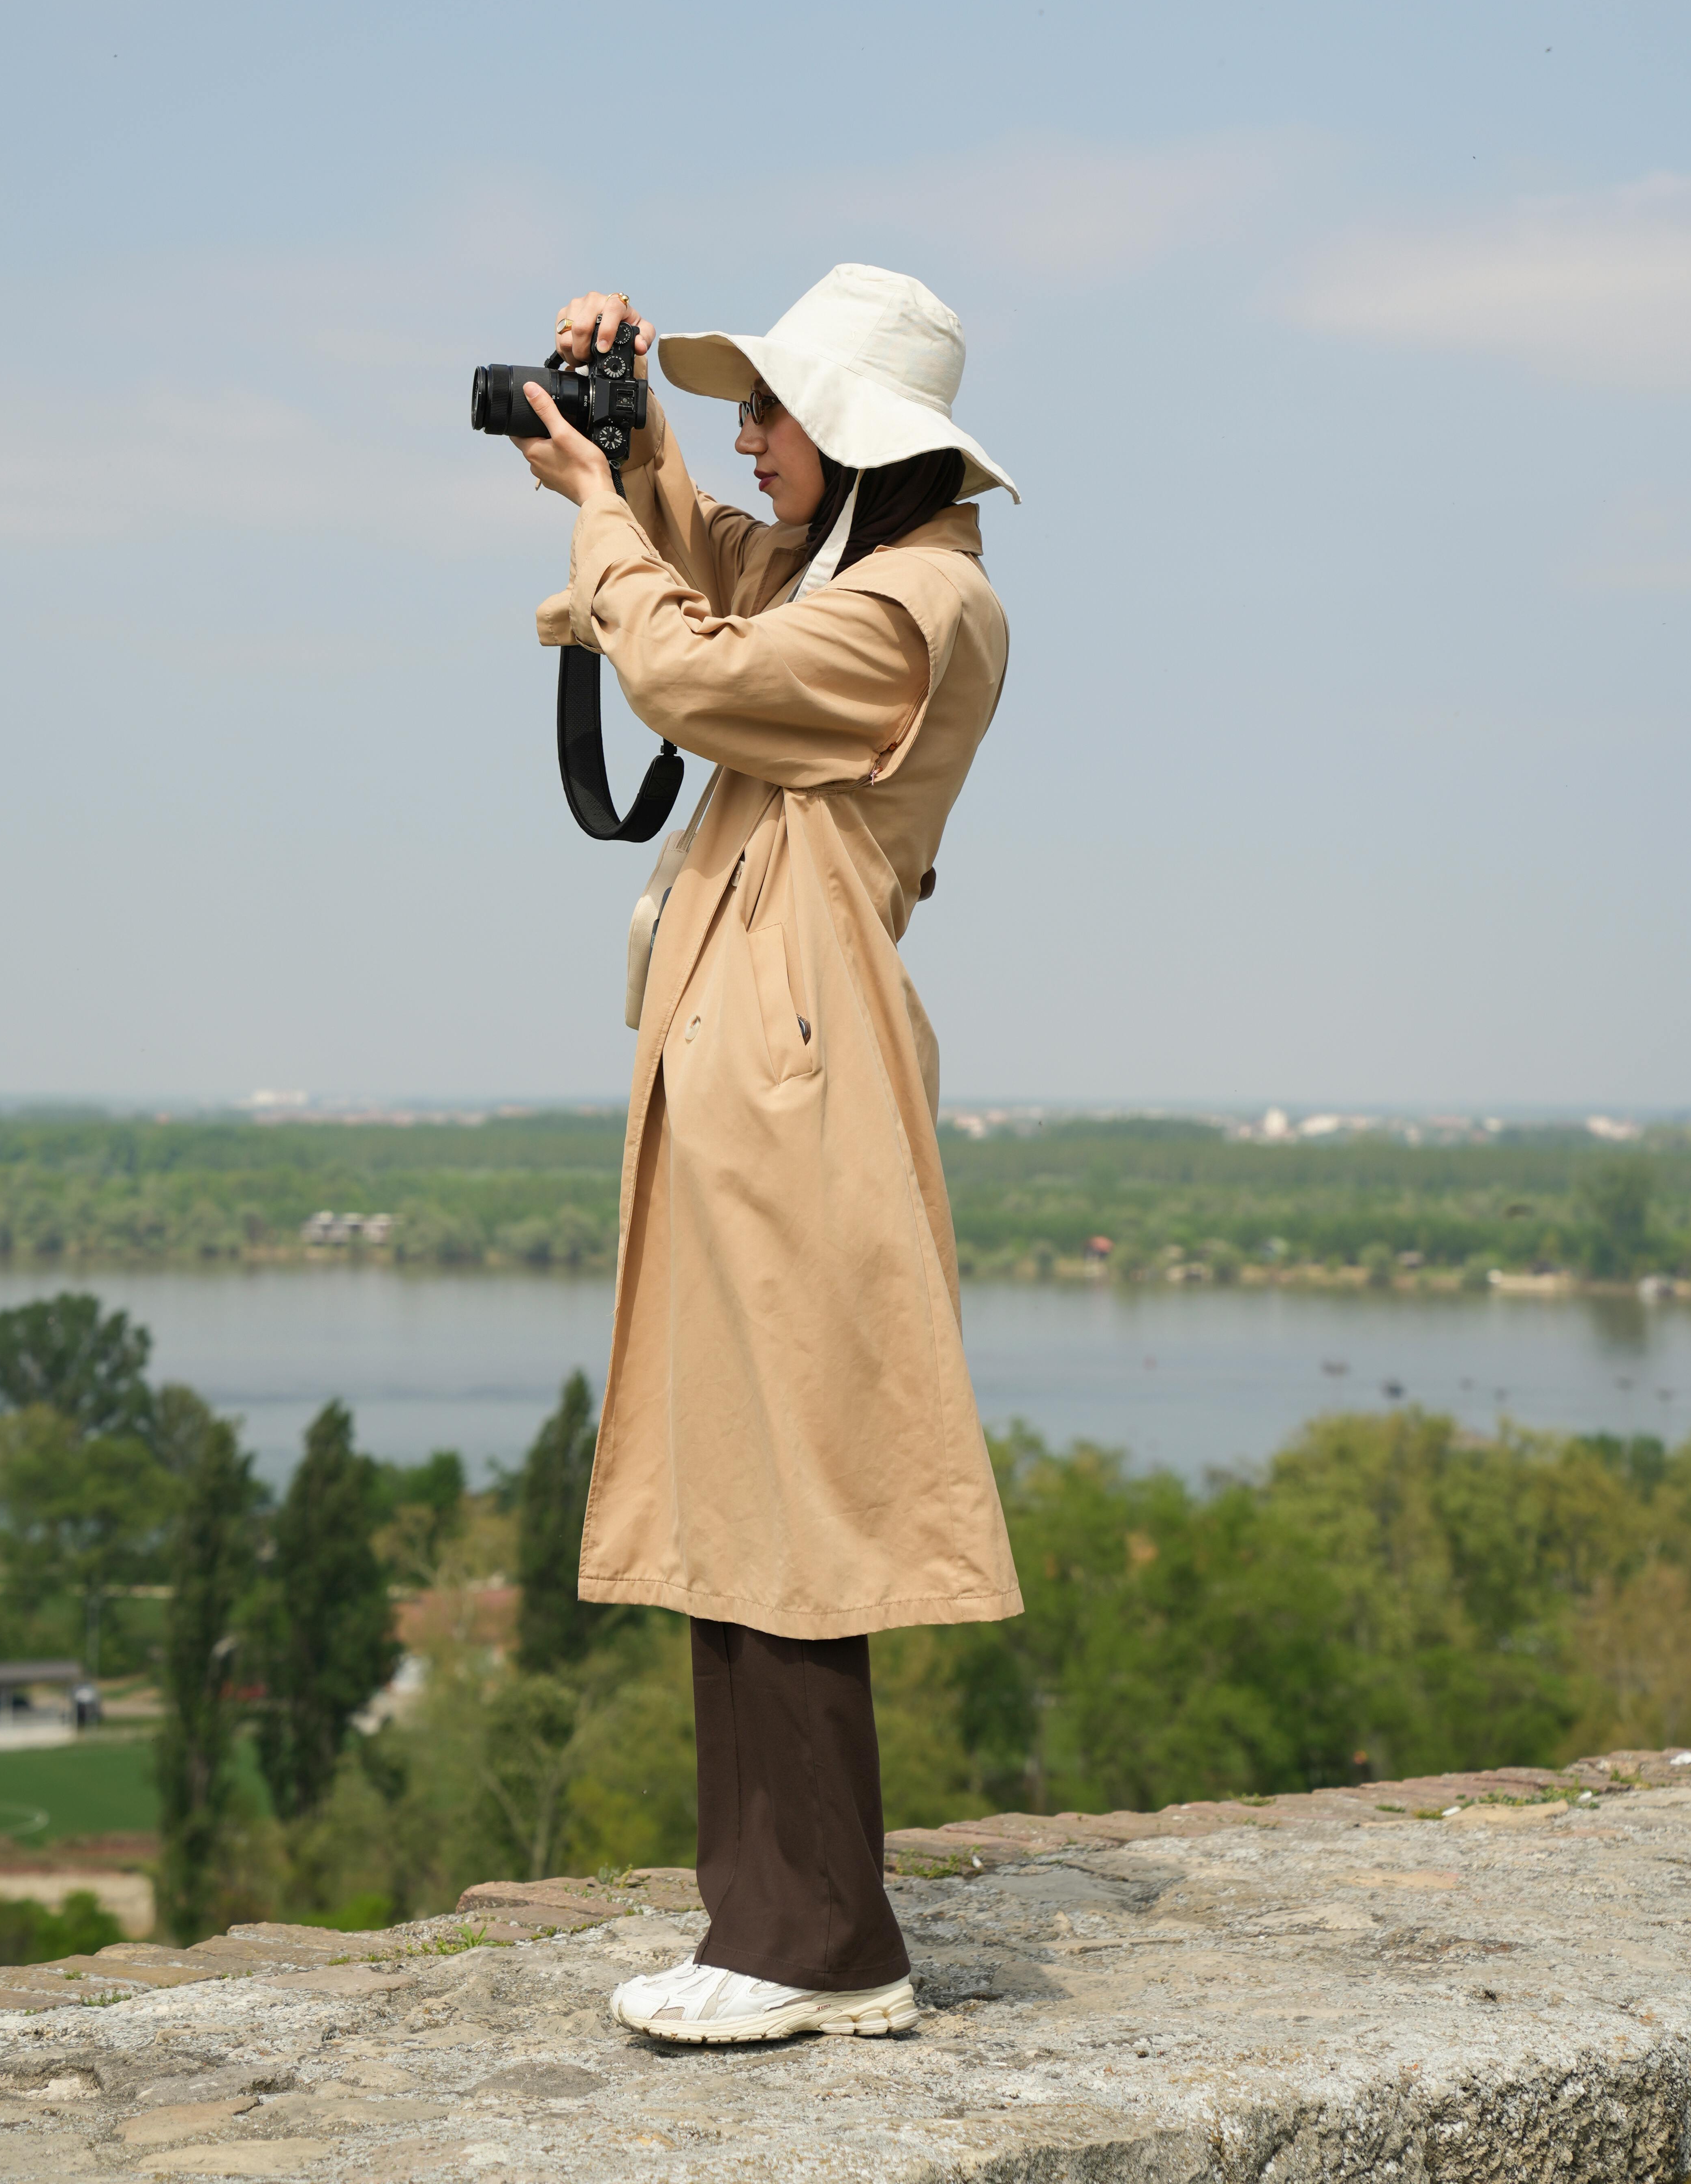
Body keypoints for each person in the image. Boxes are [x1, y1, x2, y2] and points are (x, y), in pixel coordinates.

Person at [515, 261, 1021, 2047]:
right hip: (758, 1056)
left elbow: (688, 664)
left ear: (863, 442)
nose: (746, 442)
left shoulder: (913, 609)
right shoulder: (854, 574)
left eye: (772, 415)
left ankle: (823, 1942)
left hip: (800, 1067)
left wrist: (599, 510)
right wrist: (620, 426)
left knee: (793, 1492)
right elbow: (718, 571)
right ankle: (770, 1922)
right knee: (741, 1494)